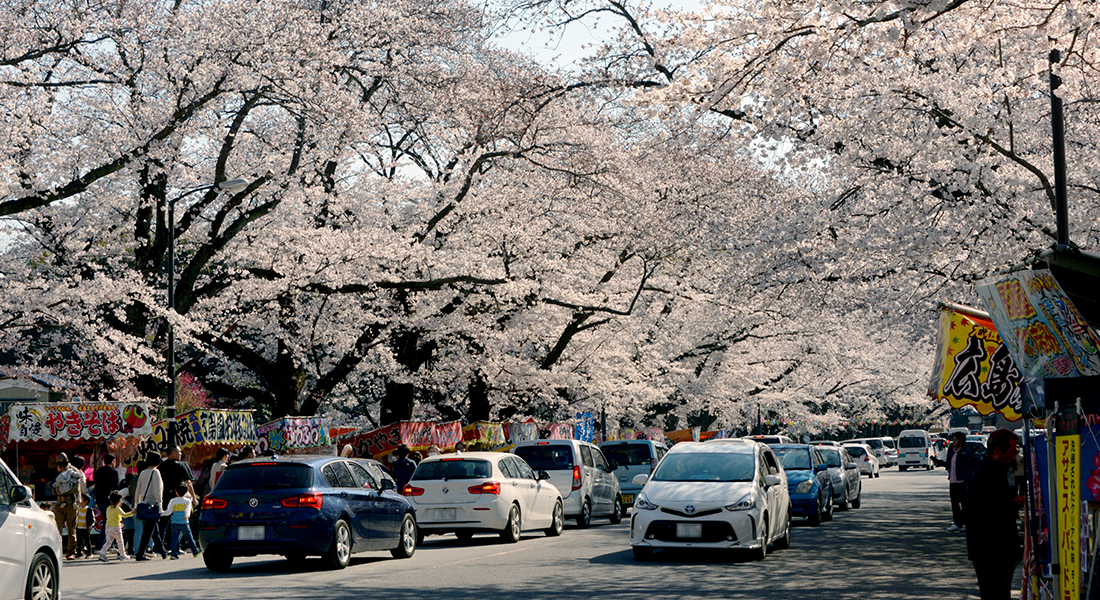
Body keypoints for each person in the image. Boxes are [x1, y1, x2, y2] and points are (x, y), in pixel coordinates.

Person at [966, 428, 1023, 600]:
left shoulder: (994, 471)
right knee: (995, 592)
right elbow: (990, 511)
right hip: (991, 549)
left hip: (994, 548)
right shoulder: (985, 474)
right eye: (1012, 451)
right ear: (998, 451)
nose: (1014, 456)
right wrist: (1013, 504)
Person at [932, 432, 979, 532]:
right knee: (954, 504)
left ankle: (966, 523)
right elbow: (949, 464)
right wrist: (939, 462)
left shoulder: (966, 453)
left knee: (964, 504)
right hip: (953, 481)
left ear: (961, 441)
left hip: (962, 481)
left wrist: (967, 482)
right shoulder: (953, 452)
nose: (954, 442)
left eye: (956, 440)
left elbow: (969, 468)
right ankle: (957, 523)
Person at [52, 452, 87, 559]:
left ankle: (71, 552)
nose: (58, 464)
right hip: (59, 503)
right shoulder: (58, 471)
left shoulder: (74, 471)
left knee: (71, 529)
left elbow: (77, 488)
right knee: (57, 528)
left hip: (71, 503)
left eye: (60, 461)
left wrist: (62, 492)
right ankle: (57, 551)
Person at [133, 452, 167, 560]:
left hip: (142, 504)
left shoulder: (142, 473)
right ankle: (140, 554)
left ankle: (163, 551)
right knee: (148, 532)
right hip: (152, 505)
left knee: (153, 530)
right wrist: (160, 505)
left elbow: (138, 490)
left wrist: (136, 504)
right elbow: (158, 491)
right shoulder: (155, 472)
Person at [162, 484, 200, 559]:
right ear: (186, 492)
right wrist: (187, 515)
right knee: (189, 537)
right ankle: (195, 551)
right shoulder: (187, 501)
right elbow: (188, 509)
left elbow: (169, 512)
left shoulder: (172, 500)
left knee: (174, 538)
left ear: (176, 491)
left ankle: (173, 554)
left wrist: (161, 513)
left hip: (174, 522)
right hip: (184, 523)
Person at [99, 490, 133, 561]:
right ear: (118, 500)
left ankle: (102, 553)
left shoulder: (108, 508)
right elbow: (124, 515)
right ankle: (123, 555)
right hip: (116, 527)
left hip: (108, 527)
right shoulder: (117, 508)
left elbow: (110, 518)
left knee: (108, 541)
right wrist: (132, 512)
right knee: (120, 541)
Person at [74, 493, 93, 558]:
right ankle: (79, 552)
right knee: (79, 541)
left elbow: (92, 519)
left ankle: (89, 553)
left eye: (81, 499)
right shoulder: (77, 509)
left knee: (87, 540)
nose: (79, 500)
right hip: (78, 527)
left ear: (86, 501)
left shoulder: (89, 509)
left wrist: (91, 525)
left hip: (85, 527)